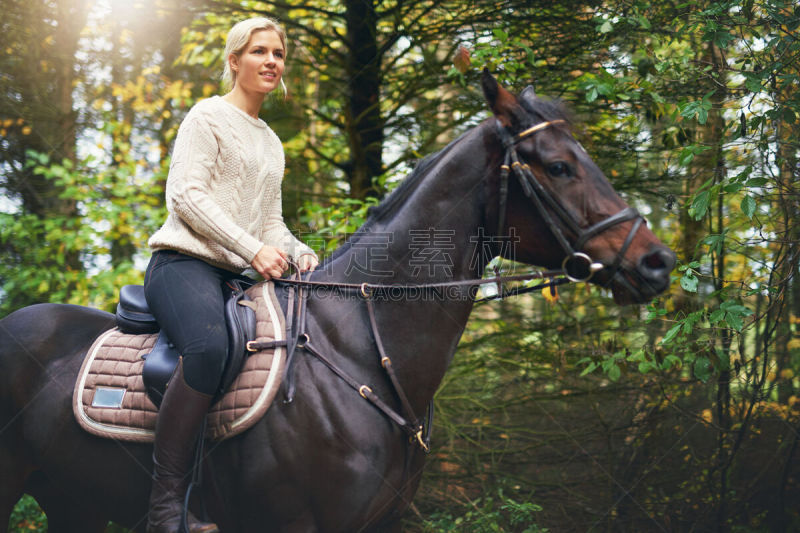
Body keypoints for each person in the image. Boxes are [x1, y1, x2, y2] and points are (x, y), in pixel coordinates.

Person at [143, 17, 318, 533]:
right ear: (234, 60)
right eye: (259, 51)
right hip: (182, 264)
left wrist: (300, 251)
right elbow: (186, 196)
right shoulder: (207, 117)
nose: (270, 61)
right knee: (210, 348)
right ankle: (163, 507)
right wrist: (251, 248)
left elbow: (271, 223)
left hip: (235, 277)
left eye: (278, 53)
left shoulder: (271, 142)